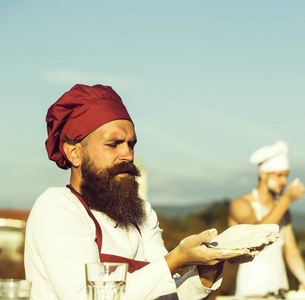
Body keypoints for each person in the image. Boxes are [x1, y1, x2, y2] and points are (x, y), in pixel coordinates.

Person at [24, 84, 263, 300]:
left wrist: (206, 269)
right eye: (113, 144)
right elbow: (84, 297)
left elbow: (166, 293)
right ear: (74, 153)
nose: (128, 154)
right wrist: (176, 259)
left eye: (131, 144)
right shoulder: (58, 207)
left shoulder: (142, 214)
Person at [228, 140, 305, 297]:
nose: (284, 181)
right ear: (263, 174)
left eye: (286, 175)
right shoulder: (240, 204)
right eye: (279, 175)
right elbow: (256, 232)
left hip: (279, 289)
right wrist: (286, 199)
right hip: (251, 292)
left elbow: (290, 249)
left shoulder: (282, 209)